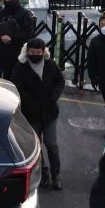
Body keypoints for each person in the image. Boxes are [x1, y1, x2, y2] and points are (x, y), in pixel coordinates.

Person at [11, 38, 66, 191]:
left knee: (52, 144)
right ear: (27, 52)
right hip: (31, 113)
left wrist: (53, 97)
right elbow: (16, 85)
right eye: (32, 52)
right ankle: (43, 173)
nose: (35, 55)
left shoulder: (50, 65)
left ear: (44, 52)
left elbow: (60, 81)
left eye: (38, 52)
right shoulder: (21, 67)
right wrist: (29, 101)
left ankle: (56, 175)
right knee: (36, 145)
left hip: (49, 112)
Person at [0, 0, 36, 81]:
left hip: (21, 52)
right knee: (7, 79)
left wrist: (12, 38)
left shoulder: (25, 13)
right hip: (5, 54)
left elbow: (29, 33)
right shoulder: (1, 13)